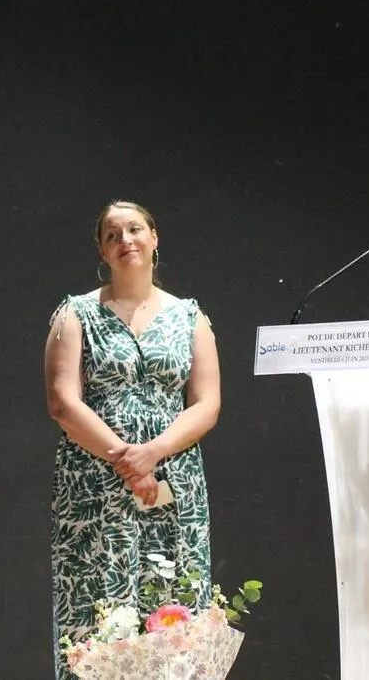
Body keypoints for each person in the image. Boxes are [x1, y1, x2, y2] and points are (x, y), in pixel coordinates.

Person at [44, 200, 221, 679]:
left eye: (135, 229)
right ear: (102, 251)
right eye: (113, 235)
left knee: (174, 604)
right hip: (95, 483)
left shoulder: (190, 317)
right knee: (96, 608)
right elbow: (63, 403)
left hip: (172, 481)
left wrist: (152, 454)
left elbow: (206, 404)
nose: (126, 241)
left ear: (154, 238)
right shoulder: (75, 313)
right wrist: (125, 460)